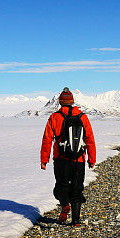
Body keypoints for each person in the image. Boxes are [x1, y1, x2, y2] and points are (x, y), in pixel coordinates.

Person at [40, 87, 96, 226]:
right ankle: (76, 221)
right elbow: (90, 139)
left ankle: (65, 204)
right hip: (79, 159)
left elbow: (47, 139)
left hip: (61, 160)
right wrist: (91, 159)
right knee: (77, 189)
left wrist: (44, 160)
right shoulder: (82, 117)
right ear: (72, 102)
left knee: (60, 187)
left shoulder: (55, 117)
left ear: (60, 102)